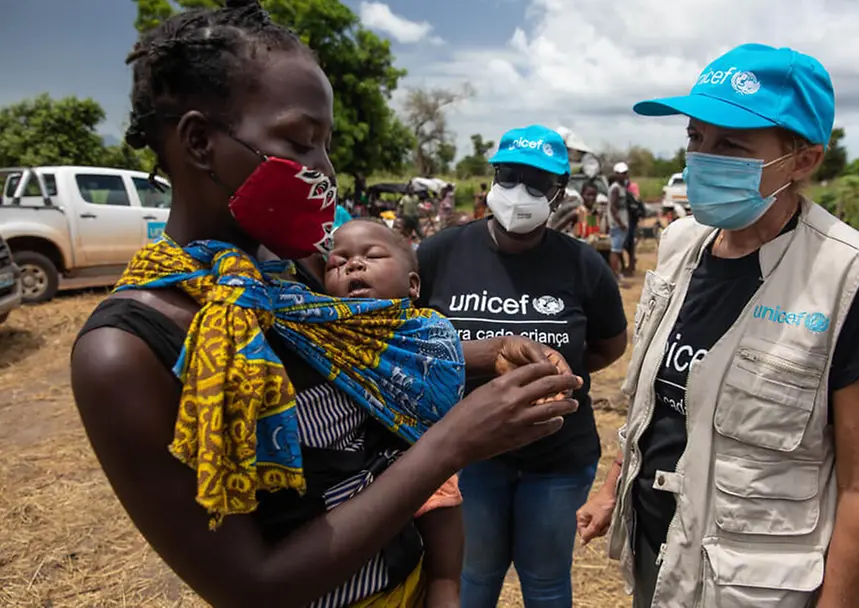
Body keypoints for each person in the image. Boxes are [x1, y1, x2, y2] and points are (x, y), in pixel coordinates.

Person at [69, 4, 582, 607]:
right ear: (200, 142)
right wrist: (452, 443)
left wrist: (491, 353)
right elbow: (253, 588)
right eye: (299, 141)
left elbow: (372, 354)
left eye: (326, 146)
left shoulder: (303, 271)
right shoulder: (126, 352)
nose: (325, 171)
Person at [576, 43, 859, 608]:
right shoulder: (680, 245)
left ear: (803, 160)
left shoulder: (850, 279)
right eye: (696, 137)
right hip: (657, 553)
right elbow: (656, 405)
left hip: (750, 588)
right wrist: (613, 488)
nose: (702, 159)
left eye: (731, 145)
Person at [416, 125, 629, 608]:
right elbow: (410, 339)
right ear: (493, 176)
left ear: (559, 192)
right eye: (509, 176)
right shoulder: (441, 253)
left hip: (558, 456)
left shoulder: (582, 264)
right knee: (474, 574)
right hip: (468, 452)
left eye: (537, 183)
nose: (519, 192)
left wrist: (557, 376)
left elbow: (607, 347)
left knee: (546, 581)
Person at [607, 162, 630, 281]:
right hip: (617, 224)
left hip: (620, 223)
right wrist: (620, 223)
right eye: (621, 173)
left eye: (625, 173)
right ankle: (614, 274)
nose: (624, 175)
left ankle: (617, 271)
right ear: (616, 174)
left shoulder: (621, 187)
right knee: (615, 250)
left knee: (618, 248)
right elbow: (613, 207)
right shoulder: (615, 188)